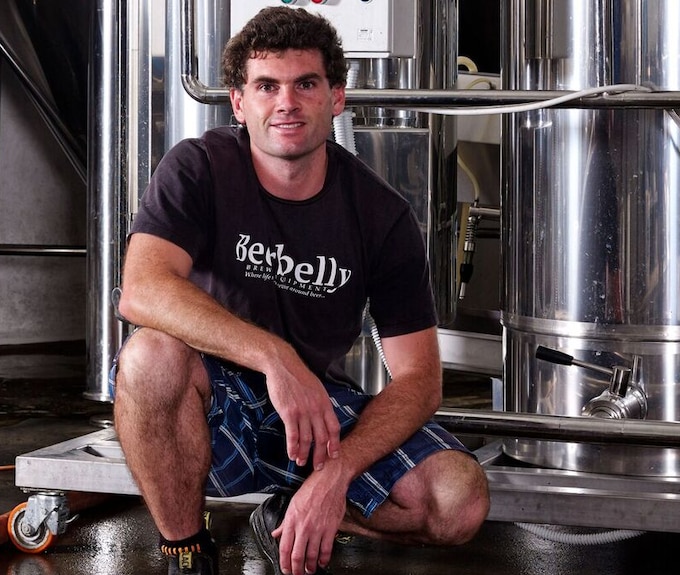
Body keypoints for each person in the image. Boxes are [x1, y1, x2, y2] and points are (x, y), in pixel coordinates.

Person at [112, 6, 490, 575]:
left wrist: (339, 474)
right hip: (212, 407)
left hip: (318, 416)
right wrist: (274, 357)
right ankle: (186, 552)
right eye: (266, 86)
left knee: (458, 500)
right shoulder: (200, 167)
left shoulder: (381, 214)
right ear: (239, 102)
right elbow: (141, 289)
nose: (286, 103)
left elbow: (419, 379)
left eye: (305, 84)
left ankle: (297, 510)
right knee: (148, 358)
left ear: (337, 96)